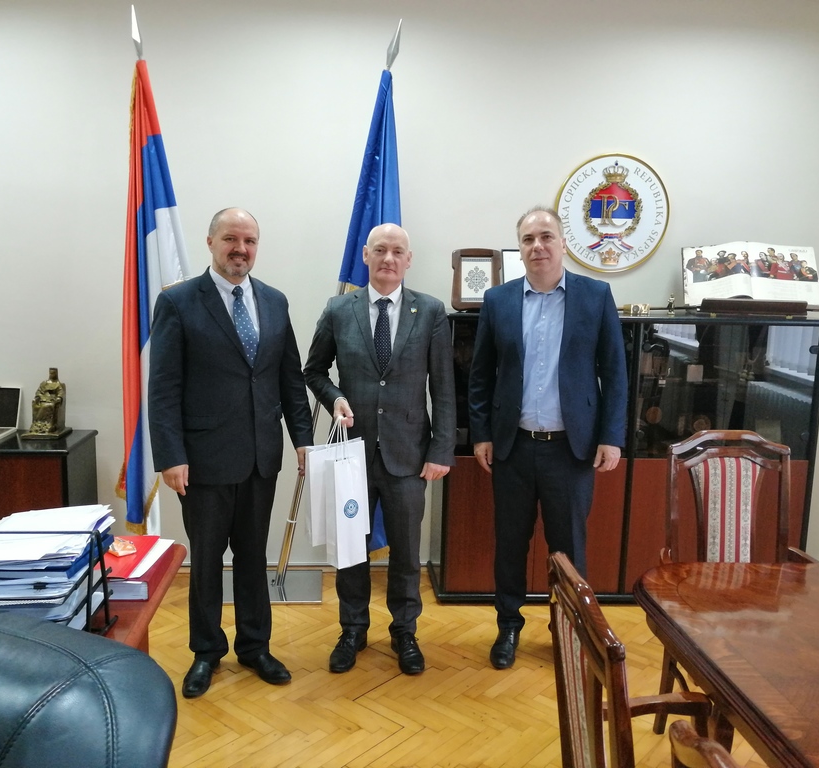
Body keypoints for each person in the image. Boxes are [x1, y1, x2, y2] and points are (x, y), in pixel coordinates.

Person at [148, 207, 314, 698]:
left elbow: (289, 378)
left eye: (250, 241)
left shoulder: (275, 301)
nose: (241, 249)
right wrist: (170, 455)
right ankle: (206, 651)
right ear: (210, 242)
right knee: (206, 560)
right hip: (203, 460)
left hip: (262, 457)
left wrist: (302, 439)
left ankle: (255, 646)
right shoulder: (178, 302)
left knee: (252, 555)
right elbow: (163, 388)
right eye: (231, 239)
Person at [467, 205, 627, 670]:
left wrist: (611, 436)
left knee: (569, 549)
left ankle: (570, 631)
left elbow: (615, 372)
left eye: (546, 237)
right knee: (510, 544)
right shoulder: (498, 300)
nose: (537, 246)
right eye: (528, 239)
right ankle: (508, 627)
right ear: (519, 249)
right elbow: (481, 376)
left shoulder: (595, 296)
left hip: (571, 450)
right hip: (513, 447)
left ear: (563, 244)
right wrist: (481, 434)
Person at [304, 223, 456, 676]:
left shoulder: (430, 312)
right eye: (381, 250)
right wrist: (335, 398)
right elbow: (313, 371)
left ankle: (404, 631)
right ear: (366, 256)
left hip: (409, 455)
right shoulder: (339, 309)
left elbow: (444, 388)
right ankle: (352, 630)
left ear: (408, 260)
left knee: (407, 552)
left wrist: (441, 450)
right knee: (351, 548)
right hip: (351, 456)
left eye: (398, 252)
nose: (389, 258)